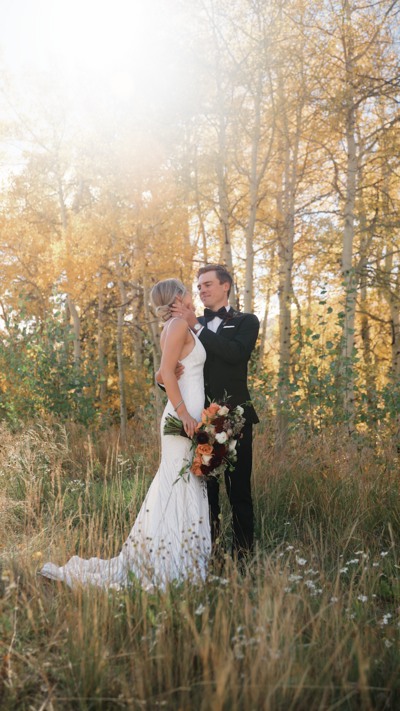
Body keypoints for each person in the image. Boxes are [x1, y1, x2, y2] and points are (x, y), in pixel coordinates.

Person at [40, 279, 211, 590]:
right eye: (187, 290)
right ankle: (167, 560)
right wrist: (184, 413)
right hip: (181, 419)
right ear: (177, 297)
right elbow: (167, 374)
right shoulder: (176, 327)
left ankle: (179, 556)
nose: (193, 294)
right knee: (178, 482)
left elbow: (167, 372)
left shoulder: (181, 326)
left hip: (193, 417)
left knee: (186, 482)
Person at [157, 264, 259, 561]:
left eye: (208, 285)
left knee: (238, 493)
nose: (201, 290)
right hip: (199, 421)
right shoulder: (186, 324)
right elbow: (174, 371)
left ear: (225, 286)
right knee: (206, 494)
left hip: (234, 419)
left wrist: (198, 326)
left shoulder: (245, 321)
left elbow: (235, 354)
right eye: (198, 286)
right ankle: (210, 558)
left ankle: (243, 561)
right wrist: (161, 377)